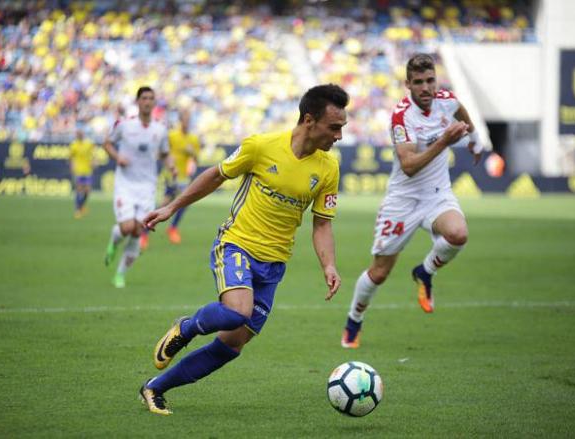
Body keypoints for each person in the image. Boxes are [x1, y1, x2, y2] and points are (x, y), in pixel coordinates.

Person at [138, 84, 349, 415]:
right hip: (236, 244)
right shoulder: (261, 146)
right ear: (309, 120)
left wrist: (329, 266)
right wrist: (171, 208)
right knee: (238, 311)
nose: (339, 135)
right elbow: (216, 175)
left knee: (232, 344)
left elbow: (322, 223)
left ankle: (154, 388)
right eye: (334, 127)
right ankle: (187, 327)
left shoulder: (328, 168)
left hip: (274, 265)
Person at [341, 53, 483, 349]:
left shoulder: (447, 99)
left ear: (436, 80)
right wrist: (444, 141)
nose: (426, 88)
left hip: (437, 195)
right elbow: (408, 165)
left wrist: (473, 139)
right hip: (402, 201)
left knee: (458, 234)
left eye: (430, 80)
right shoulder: (401, 116)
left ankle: (424, 271)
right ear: (408, 84)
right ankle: (354, 319)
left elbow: (463, 114)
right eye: (418, 82)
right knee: (379, 272)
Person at [103, 86, 176, 289]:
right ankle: (114, 240)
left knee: (137, 231)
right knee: (127, 228)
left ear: (154, 103)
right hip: (125, 184)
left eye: (151, 98)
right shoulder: (125, 125)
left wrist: (171, 165)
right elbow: (107, 143)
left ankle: (119, 275)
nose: (147, 101)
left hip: (147, 186)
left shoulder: (160, 129)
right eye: (144, 98)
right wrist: (118, 157)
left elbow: (164, 153)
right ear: (138, 102)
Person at [139, 108, 200, 250]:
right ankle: (144, 232)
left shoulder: (193, 139)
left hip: (184, 177)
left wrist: (193, 154)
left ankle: (172, 228)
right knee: (164, 205)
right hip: (170, 175)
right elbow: (161, 153)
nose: (187, 121)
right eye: (185, 118)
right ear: (180, 120)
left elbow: (197, 159)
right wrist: (170, 161)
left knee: (185, 202)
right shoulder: (172, 136)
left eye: (189, 119)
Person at [68, 129, 95, 218]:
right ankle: (77, 209)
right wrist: (72, 166)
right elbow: (70, 157)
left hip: (87, 170)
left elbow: (93, 155)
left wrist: (94, 162)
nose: (79, 135)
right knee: (79, 190)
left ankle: (81, 206)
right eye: (77, 134)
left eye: (80, 133)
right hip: (78, 170)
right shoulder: (73, 145)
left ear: (83, 134)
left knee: (87, 191)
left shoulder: (88, 144)